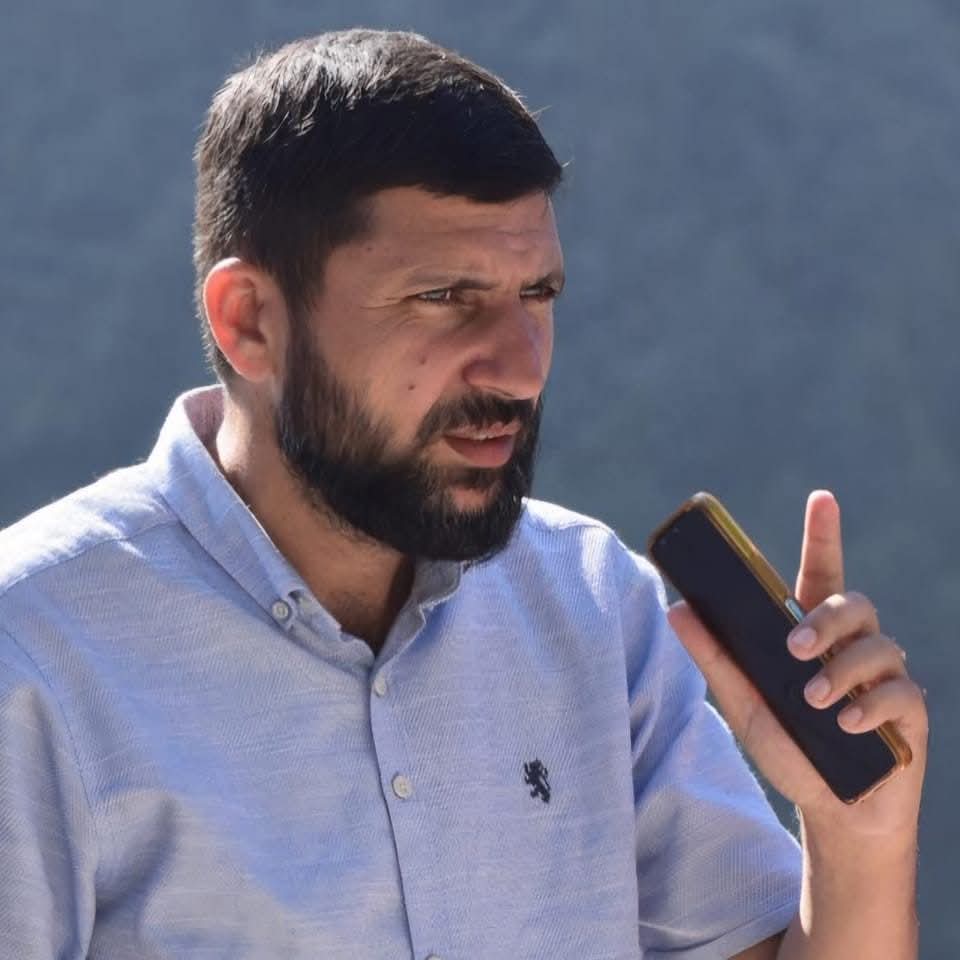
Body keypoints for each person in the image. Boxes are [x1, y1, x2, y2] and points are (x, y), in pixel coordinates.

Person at [0, 28, 926, 959]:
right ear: (251, 322)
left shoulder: (596, 608)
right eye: (444, 297)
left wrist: (859, 839)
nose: (522, 370)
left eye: (539, 294)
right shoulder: (34, 654)